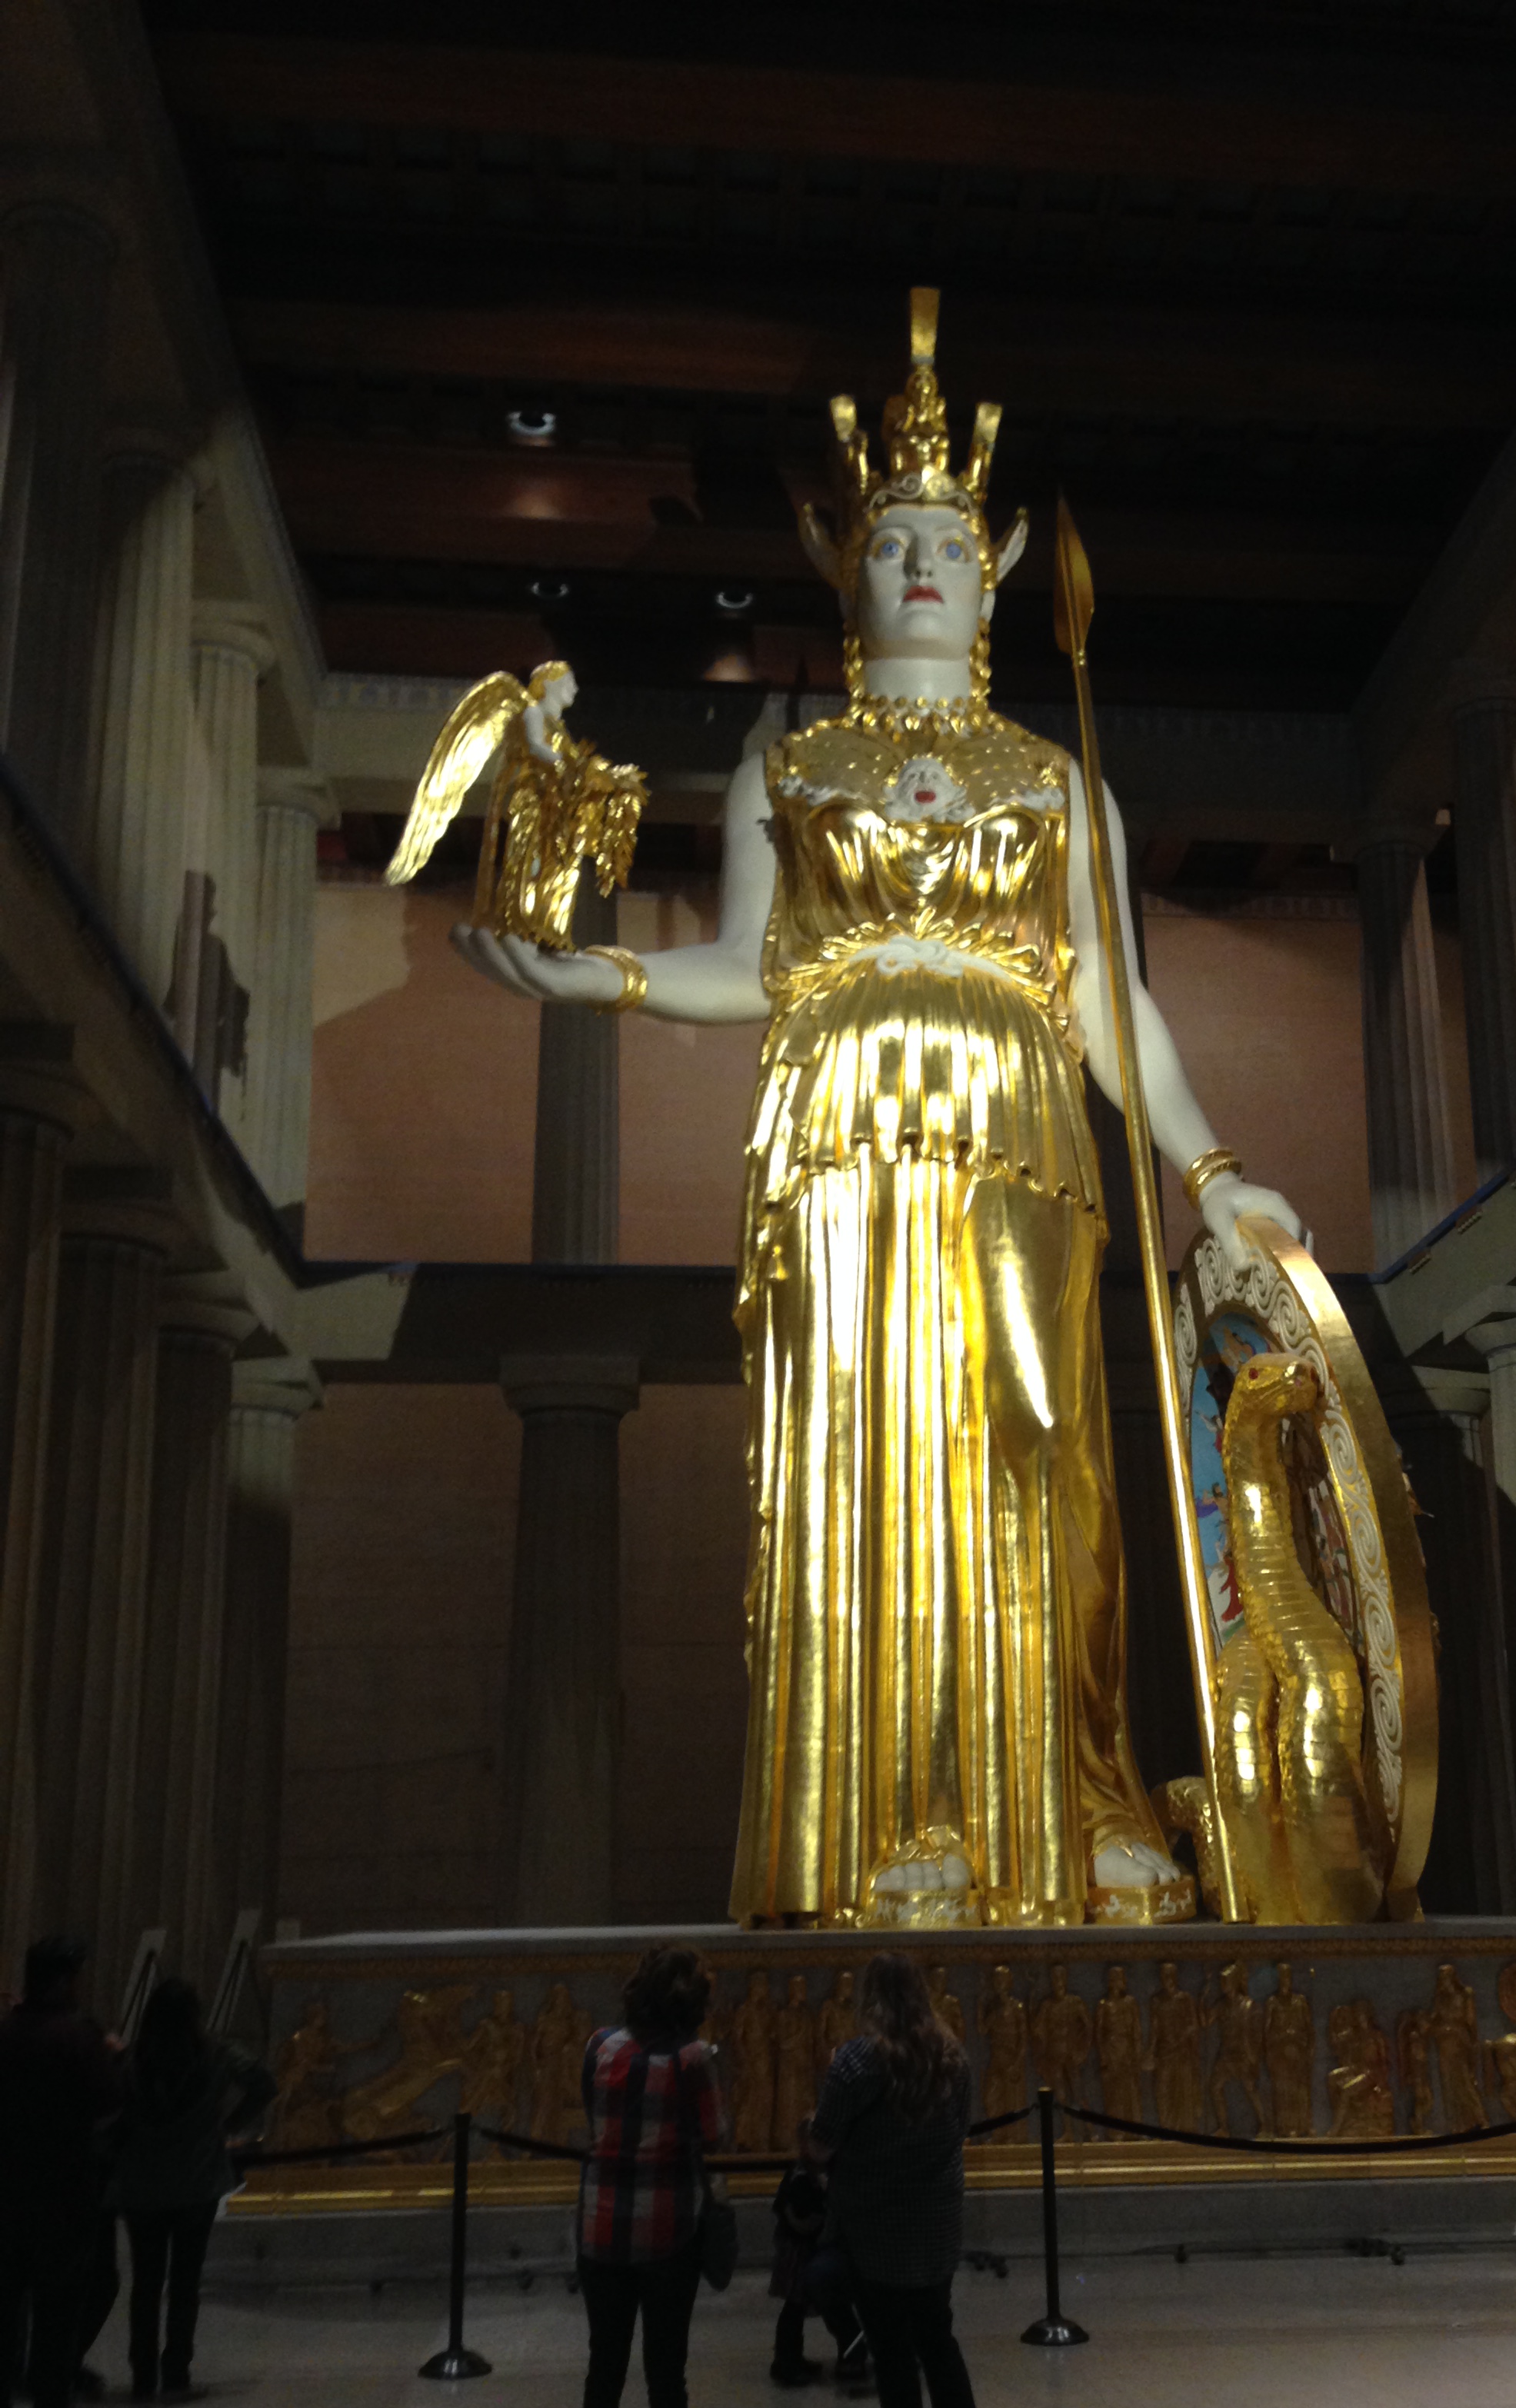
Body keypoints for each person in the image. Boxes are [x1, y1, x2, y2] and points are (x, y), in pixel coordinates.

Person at [448, 291, 1301, 1930]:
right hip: (839, 1139)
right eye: (891, 540)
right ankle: (897, 1818)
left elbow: (1111, 1000)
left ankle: (1076, 1801)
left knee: (1043, 1443)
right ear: (848, 573)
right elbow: (752, 967)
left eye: (946, 543)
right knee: (867, 1448)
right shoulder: (788, 767)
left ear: (991, 578)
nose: (918, 561)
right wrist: (599, 979)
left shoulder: (1056, 779)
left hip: (1018, 1131)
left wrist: (1212, 1171)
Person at [812, 1952, 994, 2408]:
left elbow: (823, 2142)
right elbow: (960, 2128)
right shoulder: (952, 2056)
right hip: (934, 2218)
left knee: (892, 2352)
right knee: (938, 2338)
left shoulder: (856, 2062)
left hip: (875, 2222)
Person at [578, 1946, 725, 2408]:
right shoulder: (693, 2058)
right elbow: (713, 2136)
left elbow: (592, 2111)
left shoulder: (600, 2045)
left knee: (604, 2370)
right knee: (666, 2374)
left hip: (601, 2226)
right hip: (667, 2231)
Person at [111, 1977, 275, 2399]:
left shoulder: (132, 2059)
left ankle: (142, 2371)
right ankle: (177, 2368)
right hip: (195, 2179)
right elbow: (263, 2083)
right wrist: (230, 2125)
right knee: (185, 2280)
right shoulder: (217, 2054)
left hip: (144, 2182)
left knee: (146, 2281)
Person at [0, 1936, 123, 2408]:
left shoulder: (5, 2033)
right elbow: (110, 2101)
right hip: (61, 2194)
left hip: (5, 2192)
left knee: (4, 2311)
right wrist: (114, 2057)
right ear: (63, 1979)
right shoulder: (74, 2037)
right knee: (56, 2315)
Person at [768, 2123, 868, 2388]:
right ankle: (785, 2362)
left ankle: (793, 2358)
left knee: (798, 2306)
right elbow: (798, 2211)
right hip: (796, 2251)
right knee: (794, 2307)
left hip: (807, 2248)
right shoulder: (801, 2175)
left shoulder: (822, 2172)